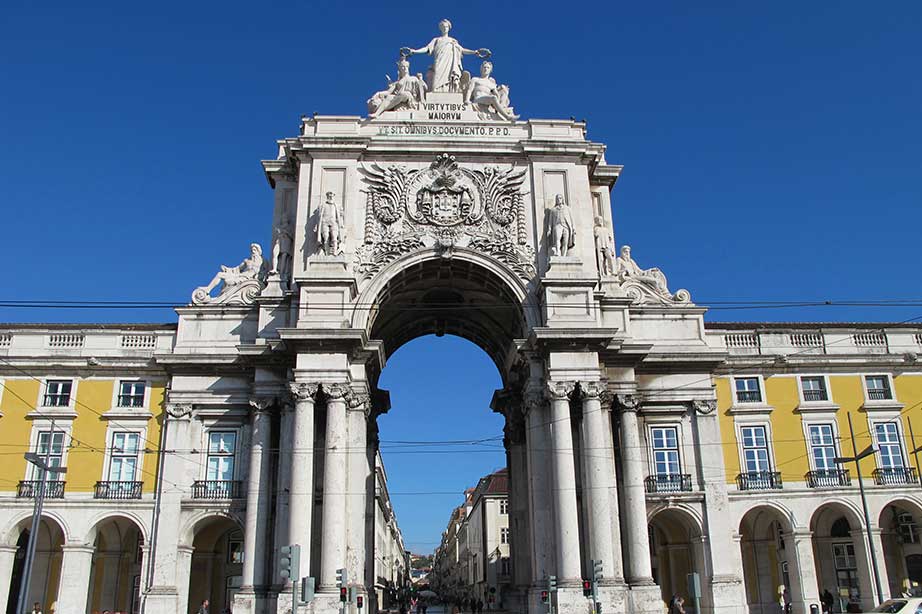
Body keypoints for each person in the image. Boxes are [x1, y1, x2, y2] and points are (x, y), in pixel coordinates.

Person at [401, 19, 490, 92]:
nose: (444, 28)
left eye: (446, 26)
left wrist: (474, 52)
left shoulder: (453, 41)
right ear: (440, 28)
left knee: (450, 79)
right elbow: (427, 48)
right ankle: (436, 91)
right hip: (439, 61)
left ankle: (451, 91)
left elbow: (462, 50)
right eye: (443, 26)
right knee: (436, 80)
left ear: (449, 28)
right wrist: (414, 51)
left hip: (450, 64)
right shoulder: (436, 40)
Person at [199, 244, 264, 295]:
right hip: (241, 276)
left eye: (255, 250)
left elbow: (264, 271)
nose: (253, 251)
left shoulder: (263, 261)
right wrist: (226, 269)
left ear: (258, 251)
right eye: (252, 250)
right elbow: (237, 269)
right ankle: (208, 289)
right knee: (220, 274)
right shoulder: (247, 261)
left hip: (249, 279)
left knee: (227, 280)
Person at [316, 191, 344, 255]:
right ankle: (327, 252)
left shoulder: (336, 206)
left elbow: (340, 216)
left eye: (332, 195)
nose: (330, 196)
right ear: (327, 196)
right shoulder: (323, 205)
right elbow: (320, 216)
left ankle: (335, 252)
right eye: (329, 195)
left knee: (334, 237)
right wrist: (317, 226)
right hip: (324, 223)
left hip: (334, 223)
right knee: (326, 238)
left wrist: (341, 224)